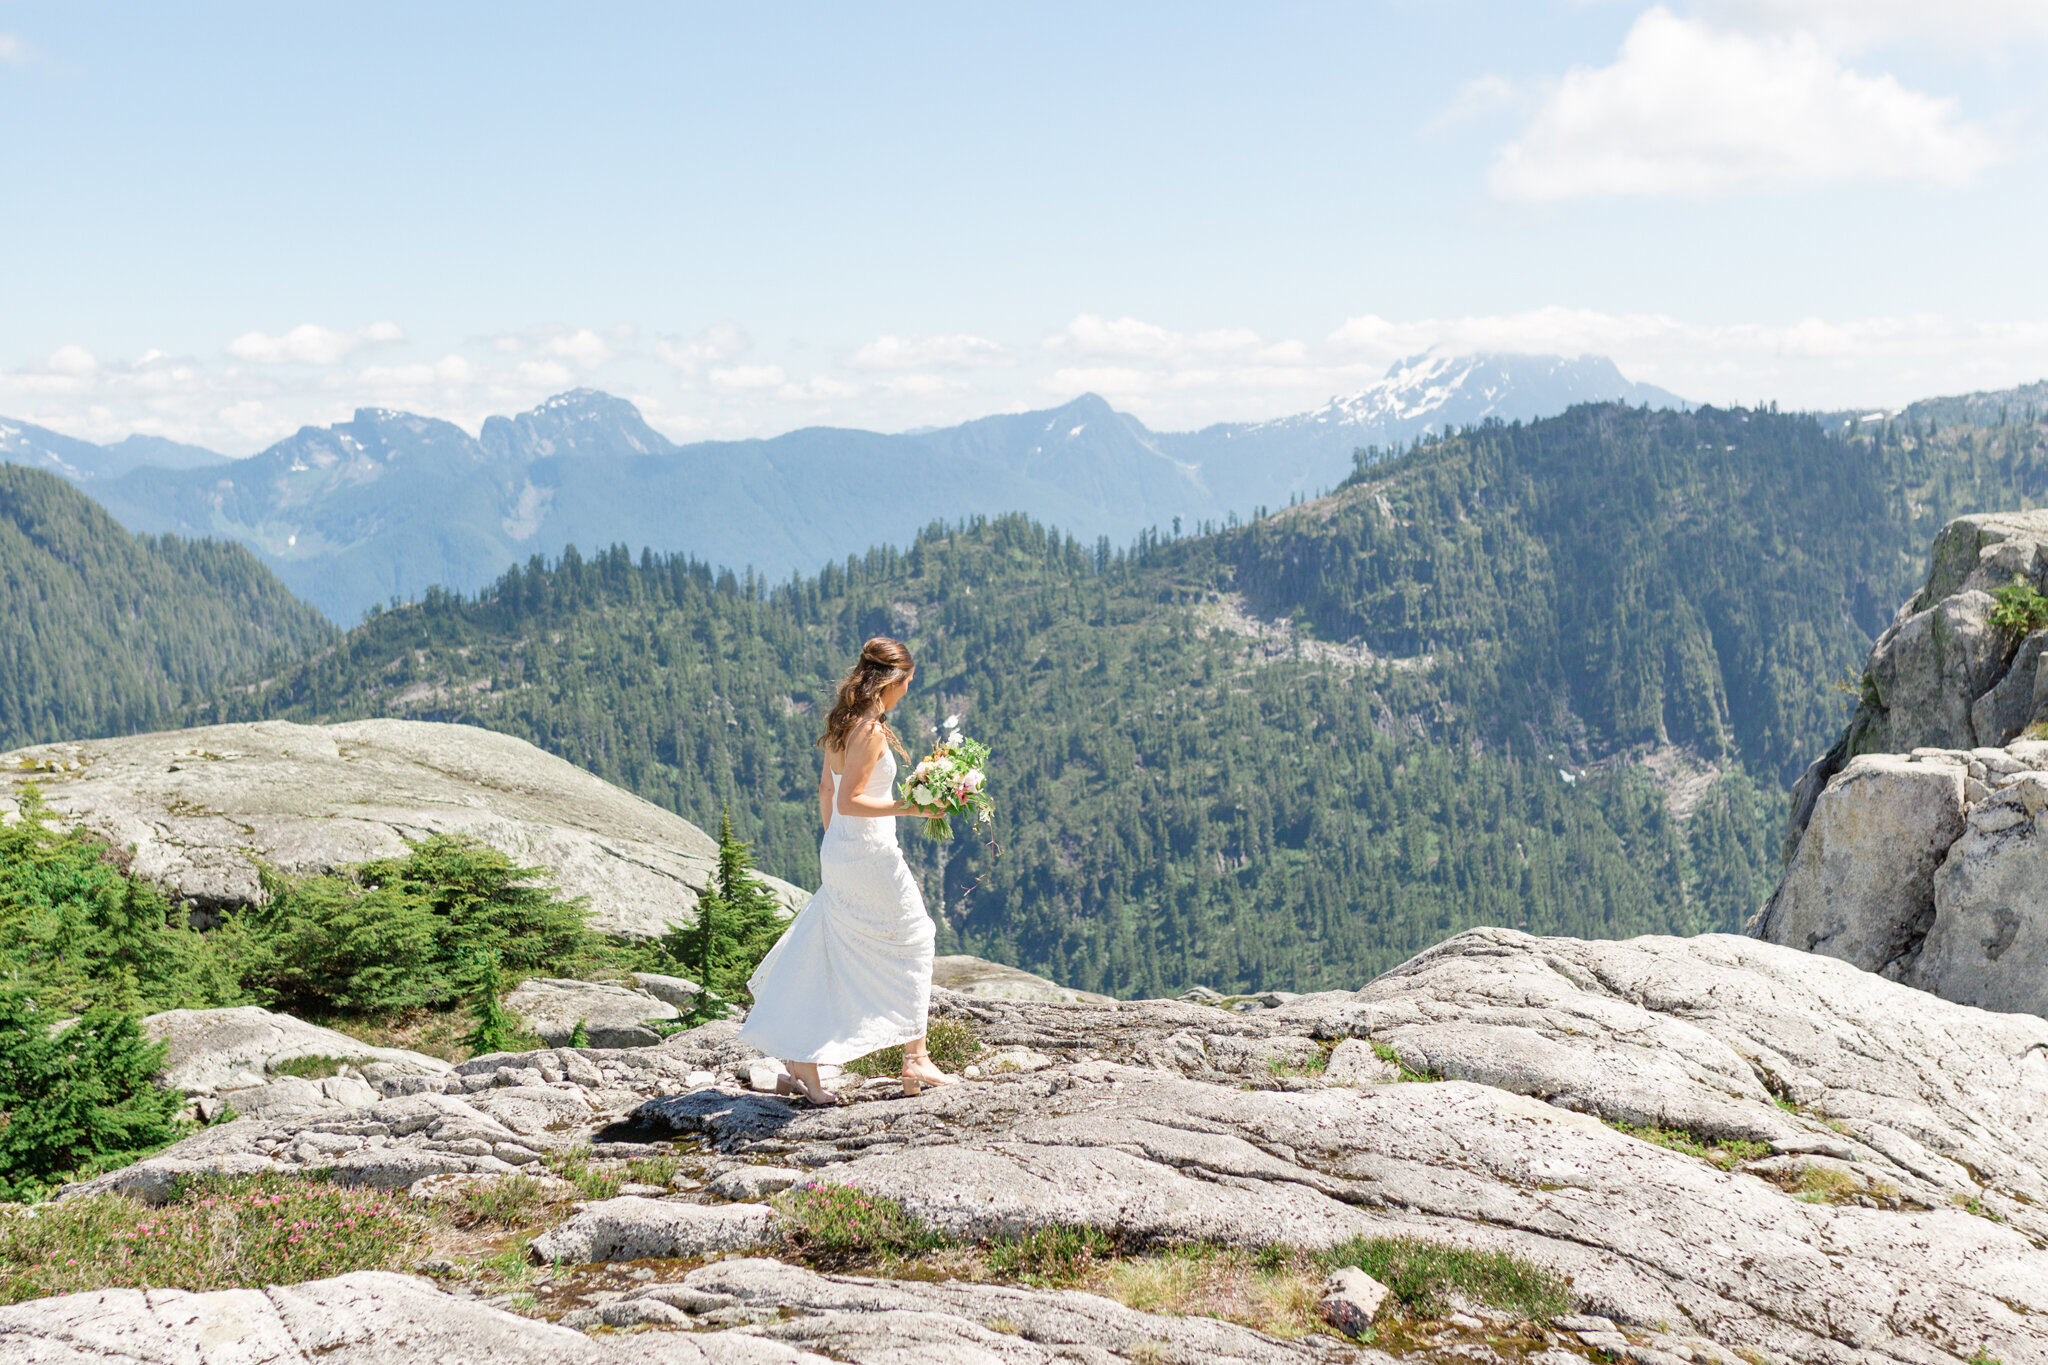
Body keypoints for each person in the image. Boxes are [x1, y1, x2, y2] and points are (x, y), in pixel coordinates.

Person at [735, 636, 959, 1104]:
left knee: (833, 947)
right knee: (916, 936)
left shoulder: (843, 722)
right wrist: (913, 808)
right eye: (907, 684)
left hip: (840, 847)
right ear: (891, 679)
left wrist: (836, 844)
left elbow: (824, 790)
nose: (907, 693)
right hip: (867, 852)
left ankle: (803, 1058)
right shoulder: (871, 731)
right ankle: (914, 1059)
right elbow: (848, 799)